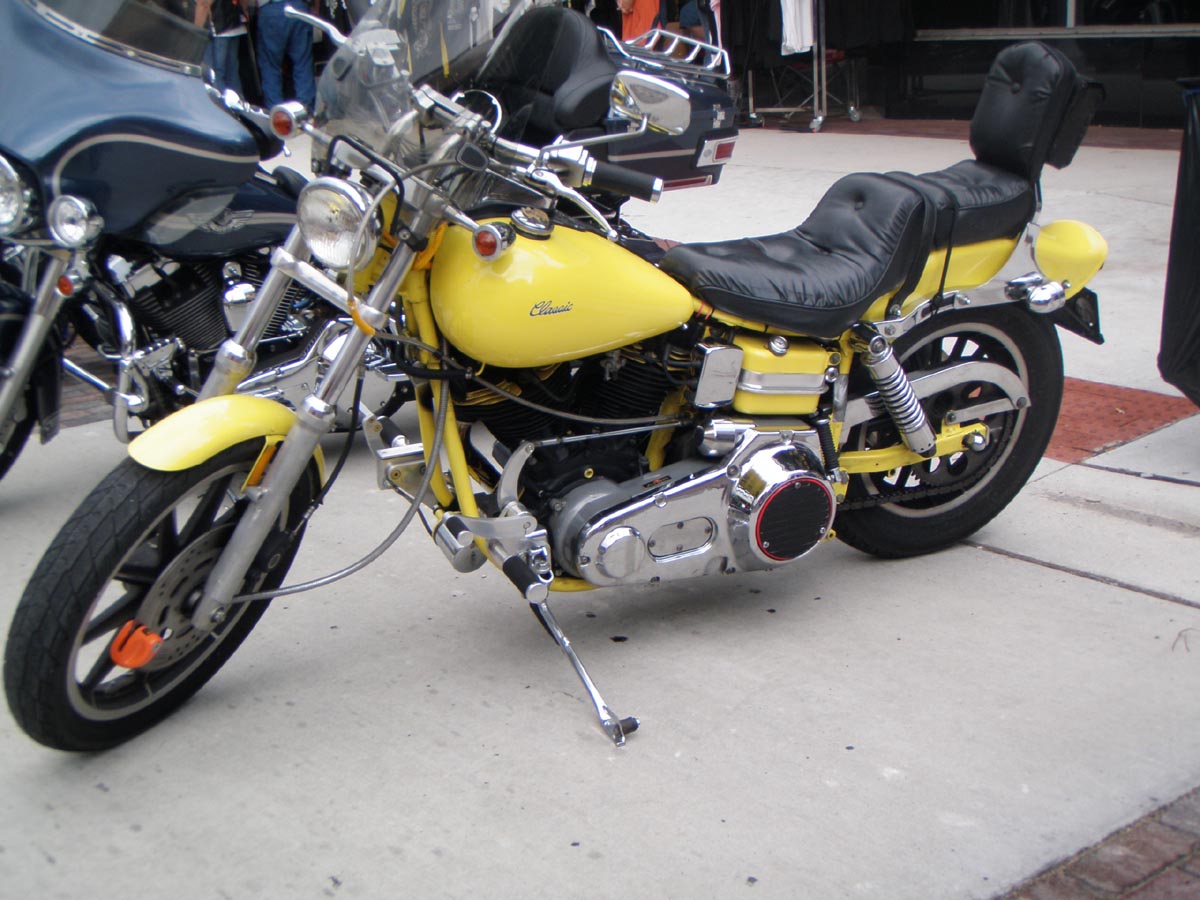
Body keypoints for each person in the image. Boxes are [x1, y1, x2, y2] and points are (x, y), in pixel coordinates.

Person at [252, 0, 316, 111]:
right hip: (299, 8)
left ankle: (277, 112)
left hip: (270, 9)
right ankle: (306, 109)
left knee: (270, 67)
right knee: (303, 63)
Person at [194, 0, 247, 94]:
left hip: (219, 26)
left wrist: (196, 30)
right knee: (232, 72)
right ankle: (238, 101)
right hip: (235, 24)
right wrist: (244, 12)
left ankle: (219, 101)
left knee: (216, 73)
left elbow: (203, 3)